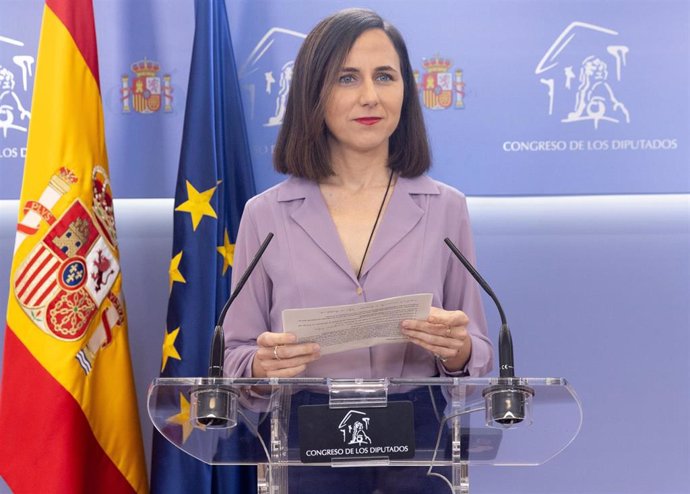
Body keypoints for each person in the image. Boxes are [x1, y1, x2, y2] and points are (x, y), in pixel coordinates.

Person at [223, 7, 493, 493]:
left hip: (420, 436)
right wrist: (262, 367)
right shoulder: (265, 215)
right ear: (313, 92)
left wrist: (459, 351)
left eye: (384, 76)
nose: (370, 95)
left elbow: (477, 354)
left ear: (405, 92)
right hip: (303, 440)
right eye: (347, 78)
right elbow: (236, 358)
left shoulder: (446, 208)